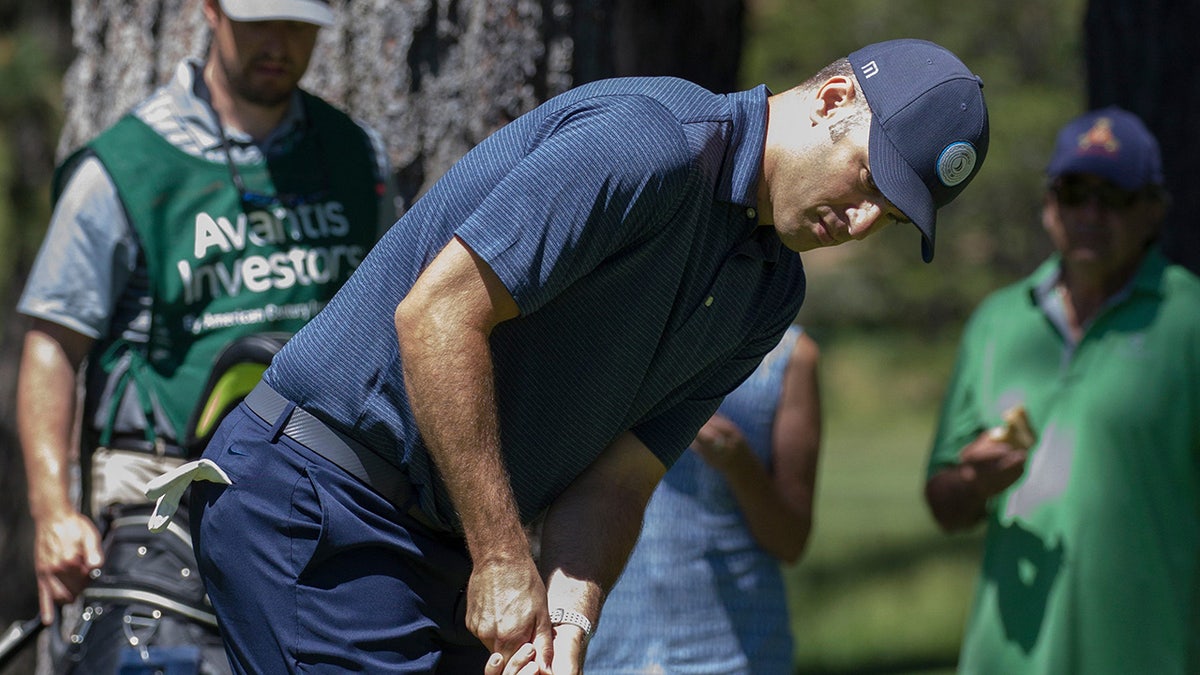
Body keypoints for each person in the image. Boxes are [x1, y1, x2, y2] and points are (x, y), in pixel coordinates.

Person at [183, 38, 989, 675]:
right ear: (835, 98)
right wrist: (503, 557)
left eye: (885, 215)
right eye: (865, 180)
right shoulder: (654, 143)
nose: (856, 222)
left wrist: (568, 619)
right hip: (322, 499)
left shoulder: (770, 294)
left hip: (441, 542)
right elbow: (436, 314)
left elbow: (621, 476)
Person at [15, 0, 392, 672]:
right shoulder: (124, 168)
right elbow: (52, 346)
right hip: (164, 501)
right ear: (212, 11)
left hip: (322, 501)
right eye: (260, 21)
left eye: (298, 24)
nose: (278, 43)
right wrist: (52, 513)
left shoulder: (354, 155)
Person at [923, 107, 1200, 673]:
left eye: (1114, 196)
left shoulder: (1190, 319)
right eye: (1074, 193)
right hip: (1008, 655)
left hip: (1152, 650)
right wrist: (973, 482)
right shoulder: (997, 322)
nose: (1091, 214)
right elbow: (943, 505)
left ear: (1153, 211)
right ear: (1050, 207)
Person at [585, 323, 821, 674]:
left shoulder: (789, 355)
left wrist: (738, 463)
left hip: (737, 654)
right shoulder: (591, 339)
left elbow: (791, 541)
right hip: (600, 652)